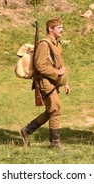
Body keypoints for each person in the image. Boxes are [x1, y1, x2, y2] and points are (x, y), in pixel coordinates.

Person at [19, 16, 71, 149]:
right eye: (59, 28)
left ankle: (26, 130)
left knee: (50, 110)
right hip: (46, 82)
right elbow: (40, 65)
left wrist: (66, 82)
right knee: (56, 109)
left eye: (61, 27)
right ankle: (55, 142)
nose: (62, 30)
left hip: (55, 81)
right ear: (50, 29)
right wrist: (56, 73)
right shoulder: (44, 44)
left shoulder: (56, 43)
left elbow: (61, 64)